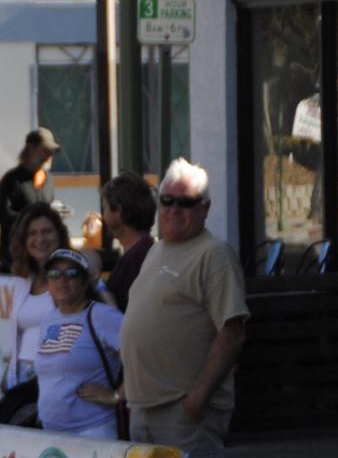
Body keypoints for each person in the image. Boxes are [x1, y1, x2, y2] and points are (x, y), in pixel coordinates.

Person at [121, 158, 247, 457]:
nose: (174, 209)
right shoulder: (156, 250)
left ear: (204, 209)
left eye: (186, 202)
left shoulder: (214, 254)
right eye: (167, 200)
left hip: (183, 413)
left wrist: (198, 398)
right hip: (144, 409)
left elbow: (233, 332)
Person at [33, 248, 124, 439]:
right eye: (55, 274)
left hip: (94, 433)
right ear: (48, 283)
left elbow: (143, 353)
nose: (62, 279)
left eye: (71, 273)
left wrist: (118, 395)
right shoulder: (49, 319)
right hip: (52, 435)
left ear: (84, 283)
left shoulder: (101, 315)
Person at [9, 203, 70, 390]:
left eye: (47, 232)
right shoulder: (23, 281)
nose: (40, 239)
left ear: (59, 235)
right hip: (22, 377)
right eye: (32, 234)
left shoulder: (73, 277)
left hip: (57, 378)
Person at [0, 128, 60, 269]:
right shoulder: (13, 180)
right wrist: (31, 220)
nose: (49, 156)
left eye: (52, 152)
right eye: (45, 150)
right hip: (15, 259)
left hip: (43, 257)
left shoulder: (48, 179)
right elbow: (2, 215)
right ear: (31, 149)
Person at [100, 171, 158, 312]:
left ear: (118, 211)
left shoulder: (135, 260)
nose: (103, 216)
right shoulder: (149, 253)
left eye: (105, 208)